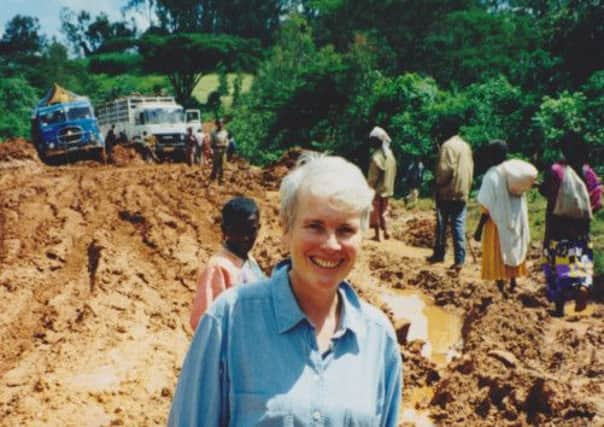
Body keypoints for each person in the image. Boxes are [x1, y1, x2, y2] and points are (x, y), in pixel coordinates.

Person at [169, 153, 402, 426]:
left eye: (346, 230)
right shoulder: (228, 322)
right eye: (314, 226)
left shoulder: (378, 339)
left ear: (363, 236)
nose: (331, 245)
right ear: (286, 230)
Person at [539, 132, 602, 317]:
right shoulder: (589, 173)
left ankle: (559, 306)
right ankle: (581, 287)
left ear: (564, 150)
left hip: (557, 226)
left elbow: (549, 195)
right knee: (580, 258)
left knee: (557, 265)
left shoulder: (556, 170)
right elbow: (596, 203)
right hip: (581, 228)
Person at [189, 197, 265, 330]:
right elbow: (204, 322)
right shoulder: (218, 267)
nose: (246, 237)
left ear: (258, 228)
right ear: (225, 230)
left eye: (251, 230)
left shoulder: (250, 262)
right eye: (239, 230)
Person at [473, 140, 529, 296]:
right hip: (515, 220)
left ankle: (501, 288)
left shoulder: (491, 175)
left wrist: (478, 229)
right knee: (512, 249)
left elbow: (486, 205)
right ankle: (513, 282)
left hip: (496, 222)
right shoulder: (514, 173)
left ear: (491, 156)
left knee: (498, 252)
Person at [427, 120, 474, 271]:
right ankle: (459, 259)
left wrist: (437, 182)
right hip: (462, 191)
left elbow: (445, 170)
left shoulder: (447, 146)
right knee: (458, 225)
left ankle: (439, 254)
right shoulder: (466, 146)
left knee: (442, 224)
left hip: (447, 191)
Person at [367, 126, 397, 241]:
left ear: (378, 141)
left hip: (378, 189)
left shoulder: (377, 156)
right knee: (385, 210)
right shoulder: (390, 155)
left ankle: (378, 234)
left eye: (373, 141)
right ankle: (387, 230)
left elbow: (373, 177)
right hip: (388, 188)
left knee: (375, 211)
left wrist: (369, 188)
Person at [210, 118, 229, 183]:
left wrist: (221, 145)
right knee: (215, 165)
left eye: (221, 123)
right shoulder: (213, 133)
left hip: (223, 152)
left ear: (223, 124)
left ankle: (221, 179)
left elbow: (226, 143)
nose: (220, 125)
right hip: (216, 151)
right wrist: (217, 145)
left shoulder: (225, 133)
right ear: (217, 124)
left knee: (222, 166)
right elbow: (212, 144)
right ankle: (213, 179)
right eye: (219, 123)